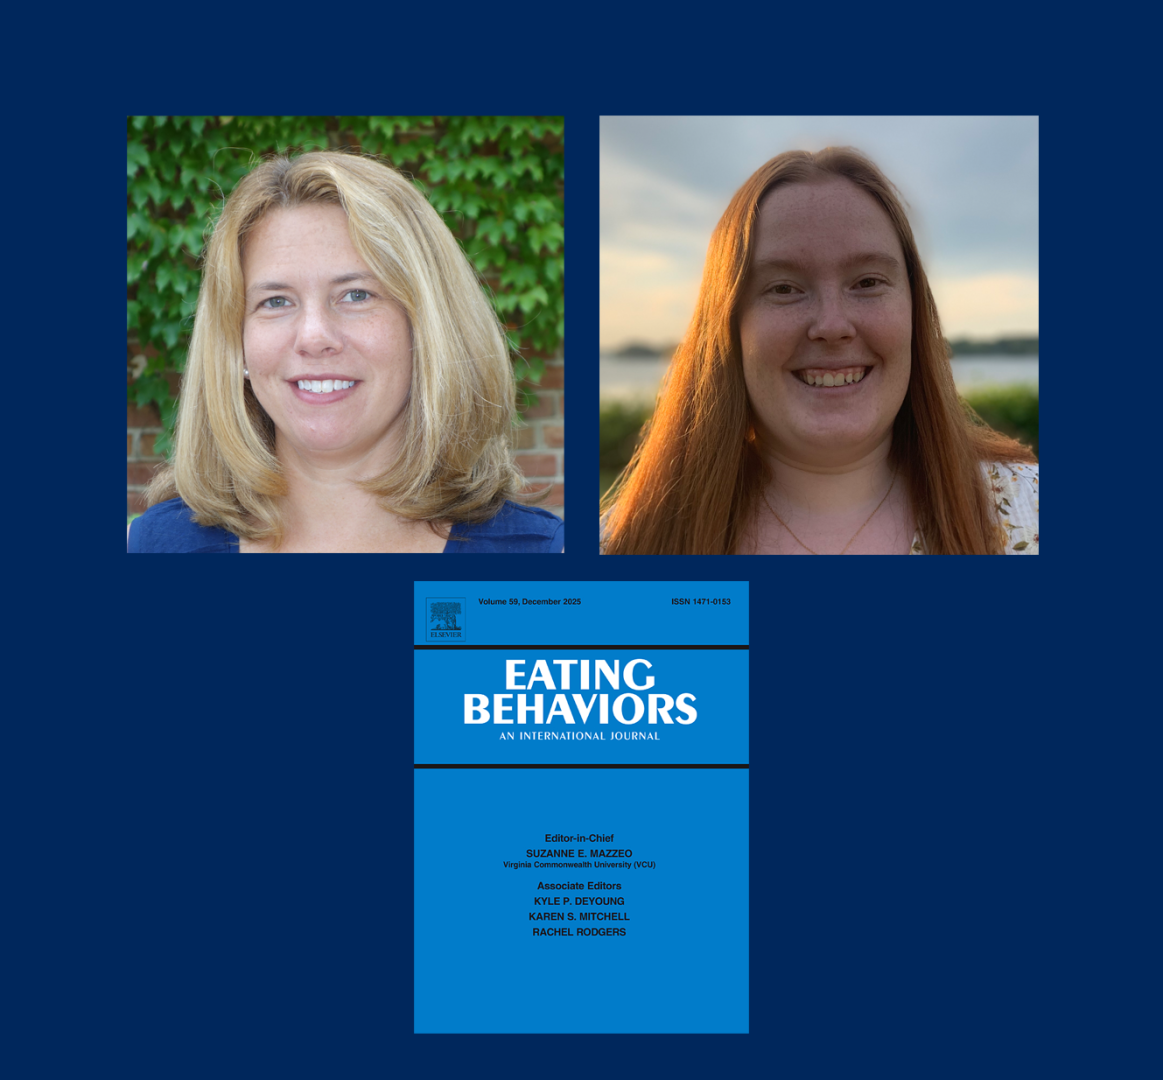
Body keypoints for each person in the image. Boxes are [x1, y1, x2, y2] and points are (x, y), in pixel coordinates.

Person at [600, 147, 1037, 555]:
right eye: (784, 288)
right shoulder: (620, 546)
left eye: (868, 282)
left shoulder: (1031, 510)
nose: (832, 326)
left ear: (914, 311)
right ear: (729, 326)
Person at [129, 150, 563, 553]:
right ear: (236, 346)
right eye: (275, 301)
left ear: (428, 329)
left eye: (356, 294)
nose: (313, 336)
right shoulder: (153, 550)